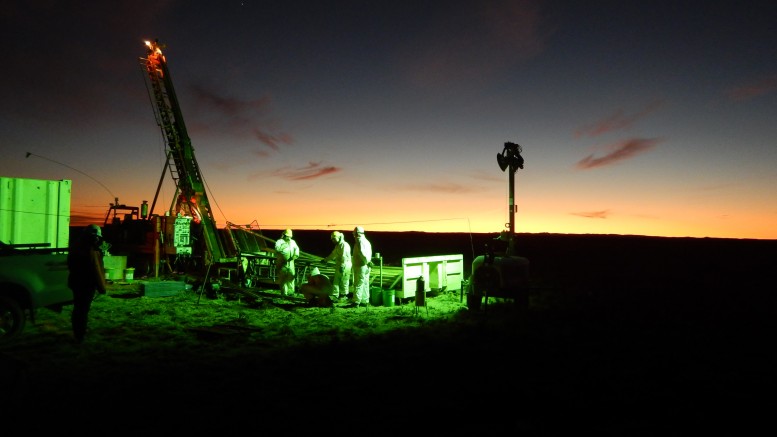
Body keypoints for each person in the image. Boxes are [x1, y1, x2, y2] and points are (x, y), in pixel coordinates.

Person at [67, 224, 108, 344]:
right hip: (86, 284)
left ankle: (78, 333)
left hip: (76, 282)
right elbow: (96, 270)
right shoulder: (91, 251)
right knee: (82, 310)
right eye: (96, 237)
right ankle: (80, 335)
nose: (97, 240)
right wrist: (101, 287)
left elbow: (71, 265)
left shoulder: (77, 247)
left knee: (79, 309)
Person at [321, 230, 352, 300]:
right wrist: (325, 260)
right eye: (332, 239)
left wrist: (342, 266)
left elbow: (344, 256)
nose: (333, 241)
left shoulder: (344, 245)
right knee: (336, 280)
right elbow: (333, 254)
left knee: (344, 280)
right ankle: (335, 295)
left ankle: (344, 295)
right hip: (339, 264)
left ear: (338, 237)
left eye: (334, 239)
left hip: (345, 265)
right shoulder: (338, 246)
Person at [348, 226, 372, 307]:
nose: (354, 236)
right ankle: (365, 301)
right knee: (365, 283)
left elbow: (362, 253)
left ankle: (356, 302)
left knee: (358, 283)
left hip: (361, 266)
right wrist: (368, 262)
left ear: (357, 234)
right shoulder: (367, 242)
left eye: (354, 234)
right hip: (366, 266)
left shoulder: (359, 242)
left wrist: (367, 261)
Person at [274, 228, 300, 297]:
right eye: (287, 236)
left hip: (291, 263)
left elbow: (296, 249)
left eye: (289, 236)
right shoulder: (279, 242)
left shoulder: (293, 242)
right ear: (284, 235)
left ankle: (291, 292)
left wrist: (295, 256)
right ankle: (284, 293)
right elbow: (277, 249)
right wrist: (284, 244)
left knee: (291, 278)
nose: (289, 237)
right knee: (283, 279)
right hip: (281, 263)